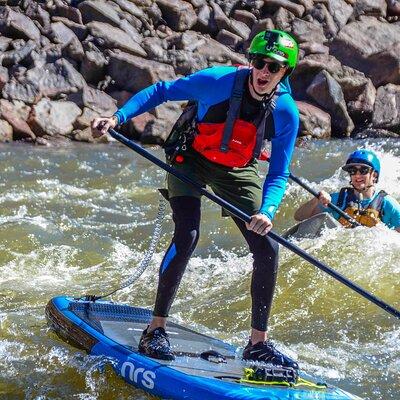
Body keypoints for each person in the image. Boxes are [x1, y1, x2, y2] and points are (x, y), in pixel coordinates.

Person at [91, 30, 300, 368]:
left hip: (236, 169)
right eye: (260, 63)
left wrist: (267, 210)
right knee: (188, 234)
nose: (264, 72)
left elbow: (279, 172)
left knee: (267, 246)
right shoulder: (216, 80)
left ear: (285, 73)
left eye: (274, 68)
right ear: (251, 62)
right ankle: (155, 329)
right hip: (190, 159)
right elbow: (162, 91)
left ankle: (257, 344)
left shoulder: (287, 113)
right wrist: (118, 117)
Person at [294, 149, 400, 232]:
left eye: (363, 170)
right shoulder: (338, 199)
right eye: (353, 170)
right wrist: (316, 199)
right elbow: (299, 217)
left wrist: (385, 235)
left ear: (374, 175)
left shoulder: (387, 204)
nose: (357, 175)